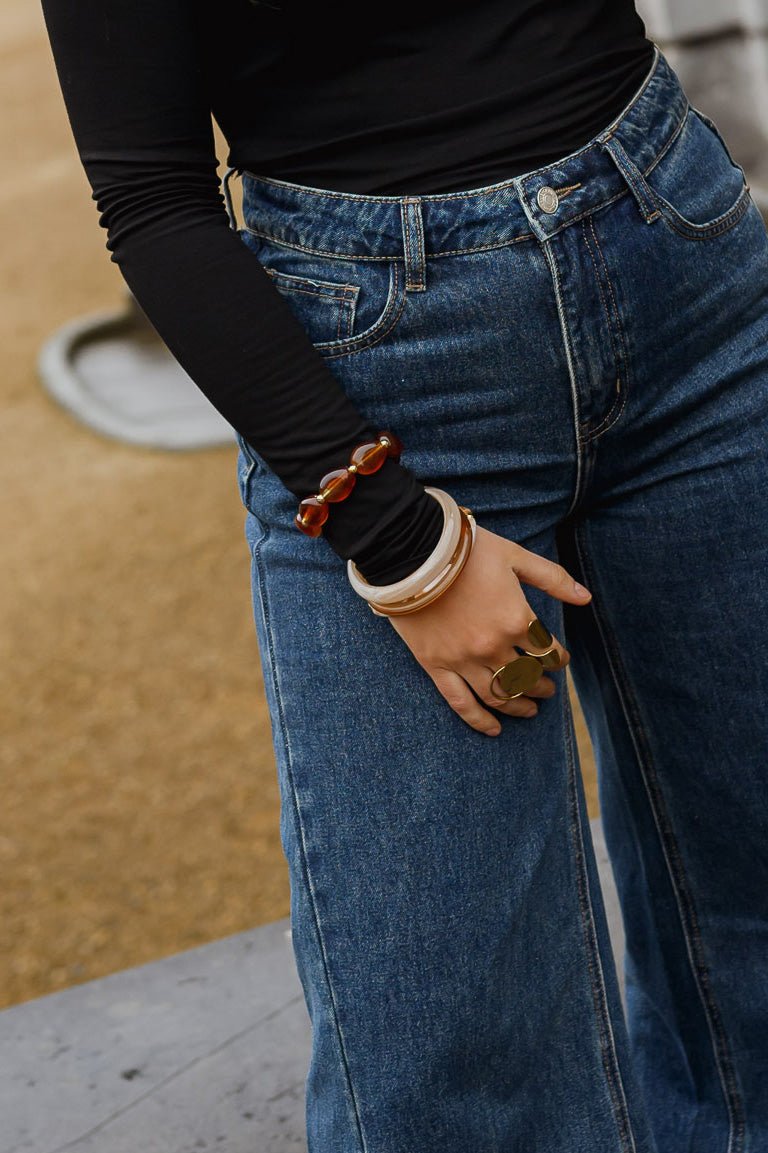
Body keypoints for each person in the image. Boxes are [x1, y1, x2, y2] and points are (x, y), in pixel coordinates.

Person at [40, 2, 768, 1150]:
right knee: (446, 1081)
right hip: (387, 378)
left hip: (679, 252)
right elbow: (151, 199)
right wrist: (403, 540)